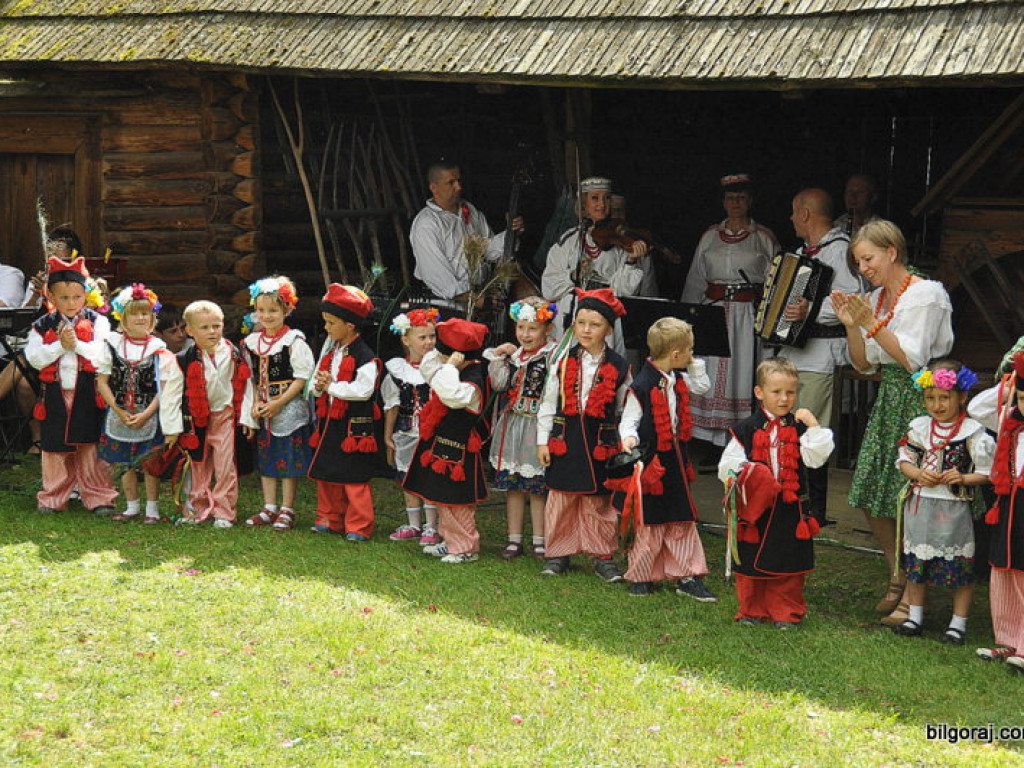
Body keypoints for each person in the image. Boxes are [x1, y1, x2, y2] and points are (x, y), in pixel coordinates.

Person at [832, 219, 954, 626]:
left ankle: (914, 594)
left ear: (891, 252)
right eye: (858, 262)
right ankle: (897, 573)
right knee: (871, 490)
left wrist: (869, 322)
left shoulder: (926, 295)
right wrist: (854, 325)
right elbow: (863, 363)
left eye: (867, 259)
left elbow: (912, 360)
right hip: (890, 398)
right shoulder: (877, 299)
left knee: (913, 498)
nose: (863, 268)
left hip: (923, 399)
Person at [718, 357, 835, 628]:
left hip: (790, 508)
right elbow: (727, 468)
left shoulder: (801, 427)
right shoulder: (745, 429)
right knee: (750, 560)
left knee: (787, 564)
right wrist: (750, 474)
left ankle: (785, 613)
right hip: (755, 508)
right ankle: (752, 610)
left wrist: (814, 425)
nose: (784, 399)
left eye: (790, 392)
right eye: (776, 392)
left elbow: (817, 457)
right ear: (760, 393)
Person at [614, 317, 716, 600]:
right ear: (675, 355)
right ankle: (642, 573)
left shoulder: (678, 378)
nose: (692, 355)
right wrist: (629, 440)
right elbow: (629, 421)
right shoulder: (643, 384)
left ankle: (686, 574)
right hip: (651, 464)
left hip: (675, 460)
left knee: (681, 517)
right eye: (690, 351)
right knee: (650, 519)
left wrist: (695, 364)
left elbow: (702, 386)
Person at [892, 361, 992, 644]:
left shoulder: (973, 433)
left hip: (954, 509)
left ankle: (958, 623)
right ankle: (914, 616)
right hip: (921, 504)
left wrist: (962, 477)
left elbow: (987, 473)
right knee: (916, 562)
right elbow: (904, 461)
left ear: (962, 397)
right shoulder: (920, 428)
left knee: (959, 566)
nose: (937, 405)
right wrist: (917, 473)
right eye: (930, 398)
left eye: (944, 397)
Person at [680, 173, 779, 461]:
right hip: (714, 311)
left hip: (746, 317)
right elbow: (697, 278)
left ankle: (740, 436)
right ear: (723, 202)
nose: (736, 203)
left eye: (742, 198)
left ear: (751, 201)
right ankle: (710, 441)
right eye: (731, 198)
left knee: (742, 371)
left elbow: (777, 281)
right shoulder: (710, 236)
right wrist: (690, 317)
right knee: (711, 372)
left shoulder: (763, 237)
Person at [536, 288, 632, 581]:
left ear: (608, 329)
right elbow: (548, 402)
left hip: (599, 442)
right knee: (562, 499)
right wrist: (542, 440)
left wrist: (626, 438)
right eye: (581, 323)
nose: (586, 330)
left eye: (595, 324)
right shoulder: (563, 360)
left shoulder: (619, 365)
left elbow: (627, 407)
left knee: (598, 501)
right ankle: (558, 553)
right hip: (565, 438)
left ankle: (602, 555)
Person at [782, 188, 864, 523]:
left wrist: (810, 310)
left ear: (804, 214)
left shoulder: (840, 249)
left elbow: (855, 299)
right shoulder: (803, 252)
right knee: (791, 429)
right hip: (794, 353)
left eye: (793, 212)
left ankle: (816, 507)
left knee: (813, 432)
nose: (790, 219)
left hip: (821, 354)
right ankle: (793, 498)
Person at [25, 255, 118, 514]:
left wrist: (75, 345)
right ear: (51, 297)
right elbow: (34, 358)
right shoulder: (41, 326)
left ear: (85, 296)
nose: (70, 303)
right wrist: (59, 346)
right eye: (63, 298)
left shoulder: (99, 322)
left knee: (90, 446)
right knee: (54, 448)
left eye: (76, 297)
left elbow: (101, 352)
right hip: (55, 393)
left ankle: (99, 496)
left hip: (87, 392)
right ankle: (53, 497)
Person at [403, 317, 491, 564]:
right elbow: (428, 370)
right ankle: (450, 540)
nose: (435, 356)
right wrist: (448, 364)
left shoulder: (471, 378)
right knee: (442, 494)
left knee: (458, 500)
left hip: (462, 448)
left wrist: (450, 367)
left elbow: (452, 395)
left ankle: (466, 547)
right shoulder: (451, 370)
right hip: (444, 441)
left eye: (440, 351)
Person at [97, 284, 183, 523]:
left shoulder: (158, 350)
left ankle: (152, 509)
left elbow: (164, 387)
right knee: (124, 463)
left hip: (149, 413)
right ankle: (132, 506)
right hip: (119, 413)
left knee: (150, 463)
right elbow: (102, 382)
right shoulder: (112, 346)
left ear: (153, 318)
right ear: (123, 317)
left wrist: (147, 414)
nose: (140, 318)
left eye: (145, 313)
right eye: (134, 313)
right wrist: (117, 410)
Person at [239, 277, 315, 532]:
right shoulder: (252, 343)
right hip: (264, 408)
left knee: (288, 459)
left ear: (286, 310)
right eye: (261, 310)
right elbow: (249, 378)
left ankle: (287, 508)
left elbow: (302, 377)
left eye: (273, 310)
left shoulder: (294, 341)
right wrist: (253, 408)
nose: (266, 316)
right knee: (267, 458)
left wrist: (280, 402)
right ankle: (269, 506)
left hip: (288, 407)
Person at [307, 285, 382, 541]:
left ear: (350, 325)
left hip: (353, 426)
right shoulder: (331, 351)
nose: (326, 328)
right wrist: (319, 388)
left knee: (353, 477)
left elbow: (363, 390)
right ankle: (329, 518)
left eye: (331, 322)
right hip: (330, 421)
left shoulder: (366, 356)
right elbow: (320, 384)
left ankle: (358, 526)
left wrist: (331, 387)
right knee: (328, 472)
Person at [541, 177, 648, 356]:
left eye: (606, 198)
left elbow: (623, 292)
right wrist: (572, 276)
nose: (602, 205)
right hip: (572, 317)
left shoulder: (619, 242)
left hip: (606, 322)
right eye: (595, 198)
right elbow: (549, 288)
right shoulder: (567, 242)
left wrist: (630, 261)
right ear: (583, 204)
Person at [487, 297, 558, 560]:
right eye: (520, 328)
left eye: (532, 329)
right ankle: (514, 539)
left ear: (547, 329)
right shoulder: (515, 355)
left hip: (538, 426)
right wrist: (500, 359)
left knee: (537, 487)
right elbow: (498, 385)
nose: (525, 335)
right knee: (514, 485)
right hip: (514, 422)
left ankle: (540, 540)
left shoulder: (553, 355)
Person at [968, 353, 1024, 670]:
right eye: (1022, 399)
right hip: (1009, 505)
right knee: (1003, 570)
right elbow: (978, 408)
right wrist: (1011, 380)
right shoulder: (1008, 421)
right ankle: (1008, 641)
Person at [410, 161, 523, 313]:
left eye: (459, 181)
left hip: (476, 298)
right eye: (451, 183)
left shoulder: (469, 210)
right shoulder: (427, 225)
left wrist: (512, 232)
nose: (458, 187)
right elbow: (440, 279)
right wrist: (478, 300)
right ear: (434, 188)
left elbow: (488, 250)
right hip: (443, 306)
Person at [177, 300, 251, 528]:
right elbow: (174, 393)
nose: (212, 332)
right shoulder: (184, 357)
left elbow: (248, 385)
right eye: (205, 327)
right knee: (198, 463)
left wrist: (247, 417)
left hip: (224, 415)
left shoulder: (234, 353)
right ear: (190, 330)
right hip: (196, 418)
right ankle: (195, 508)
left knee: (225, 464)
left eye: (216, 326)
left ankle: (224, 511)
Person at [382, 307, 440, 545]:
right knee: (407, 477)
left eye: (432, 336)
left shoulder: (439, 366)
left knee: (428, 478)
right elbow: (391, 405)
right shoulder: (397, 370)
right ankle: (414, 524)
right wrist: (388, 436)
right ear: (406, 340)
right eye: (422, 337)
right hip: (406, 431)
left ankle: (432, 526)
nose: (428, 342)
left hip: (431, 432)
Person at [834, 174, 881, 238]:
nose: (853, 196)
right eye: (850, 191)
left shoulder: (881, 229)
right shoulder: (836, 226)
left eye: (861, 192)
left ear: (873, 197)